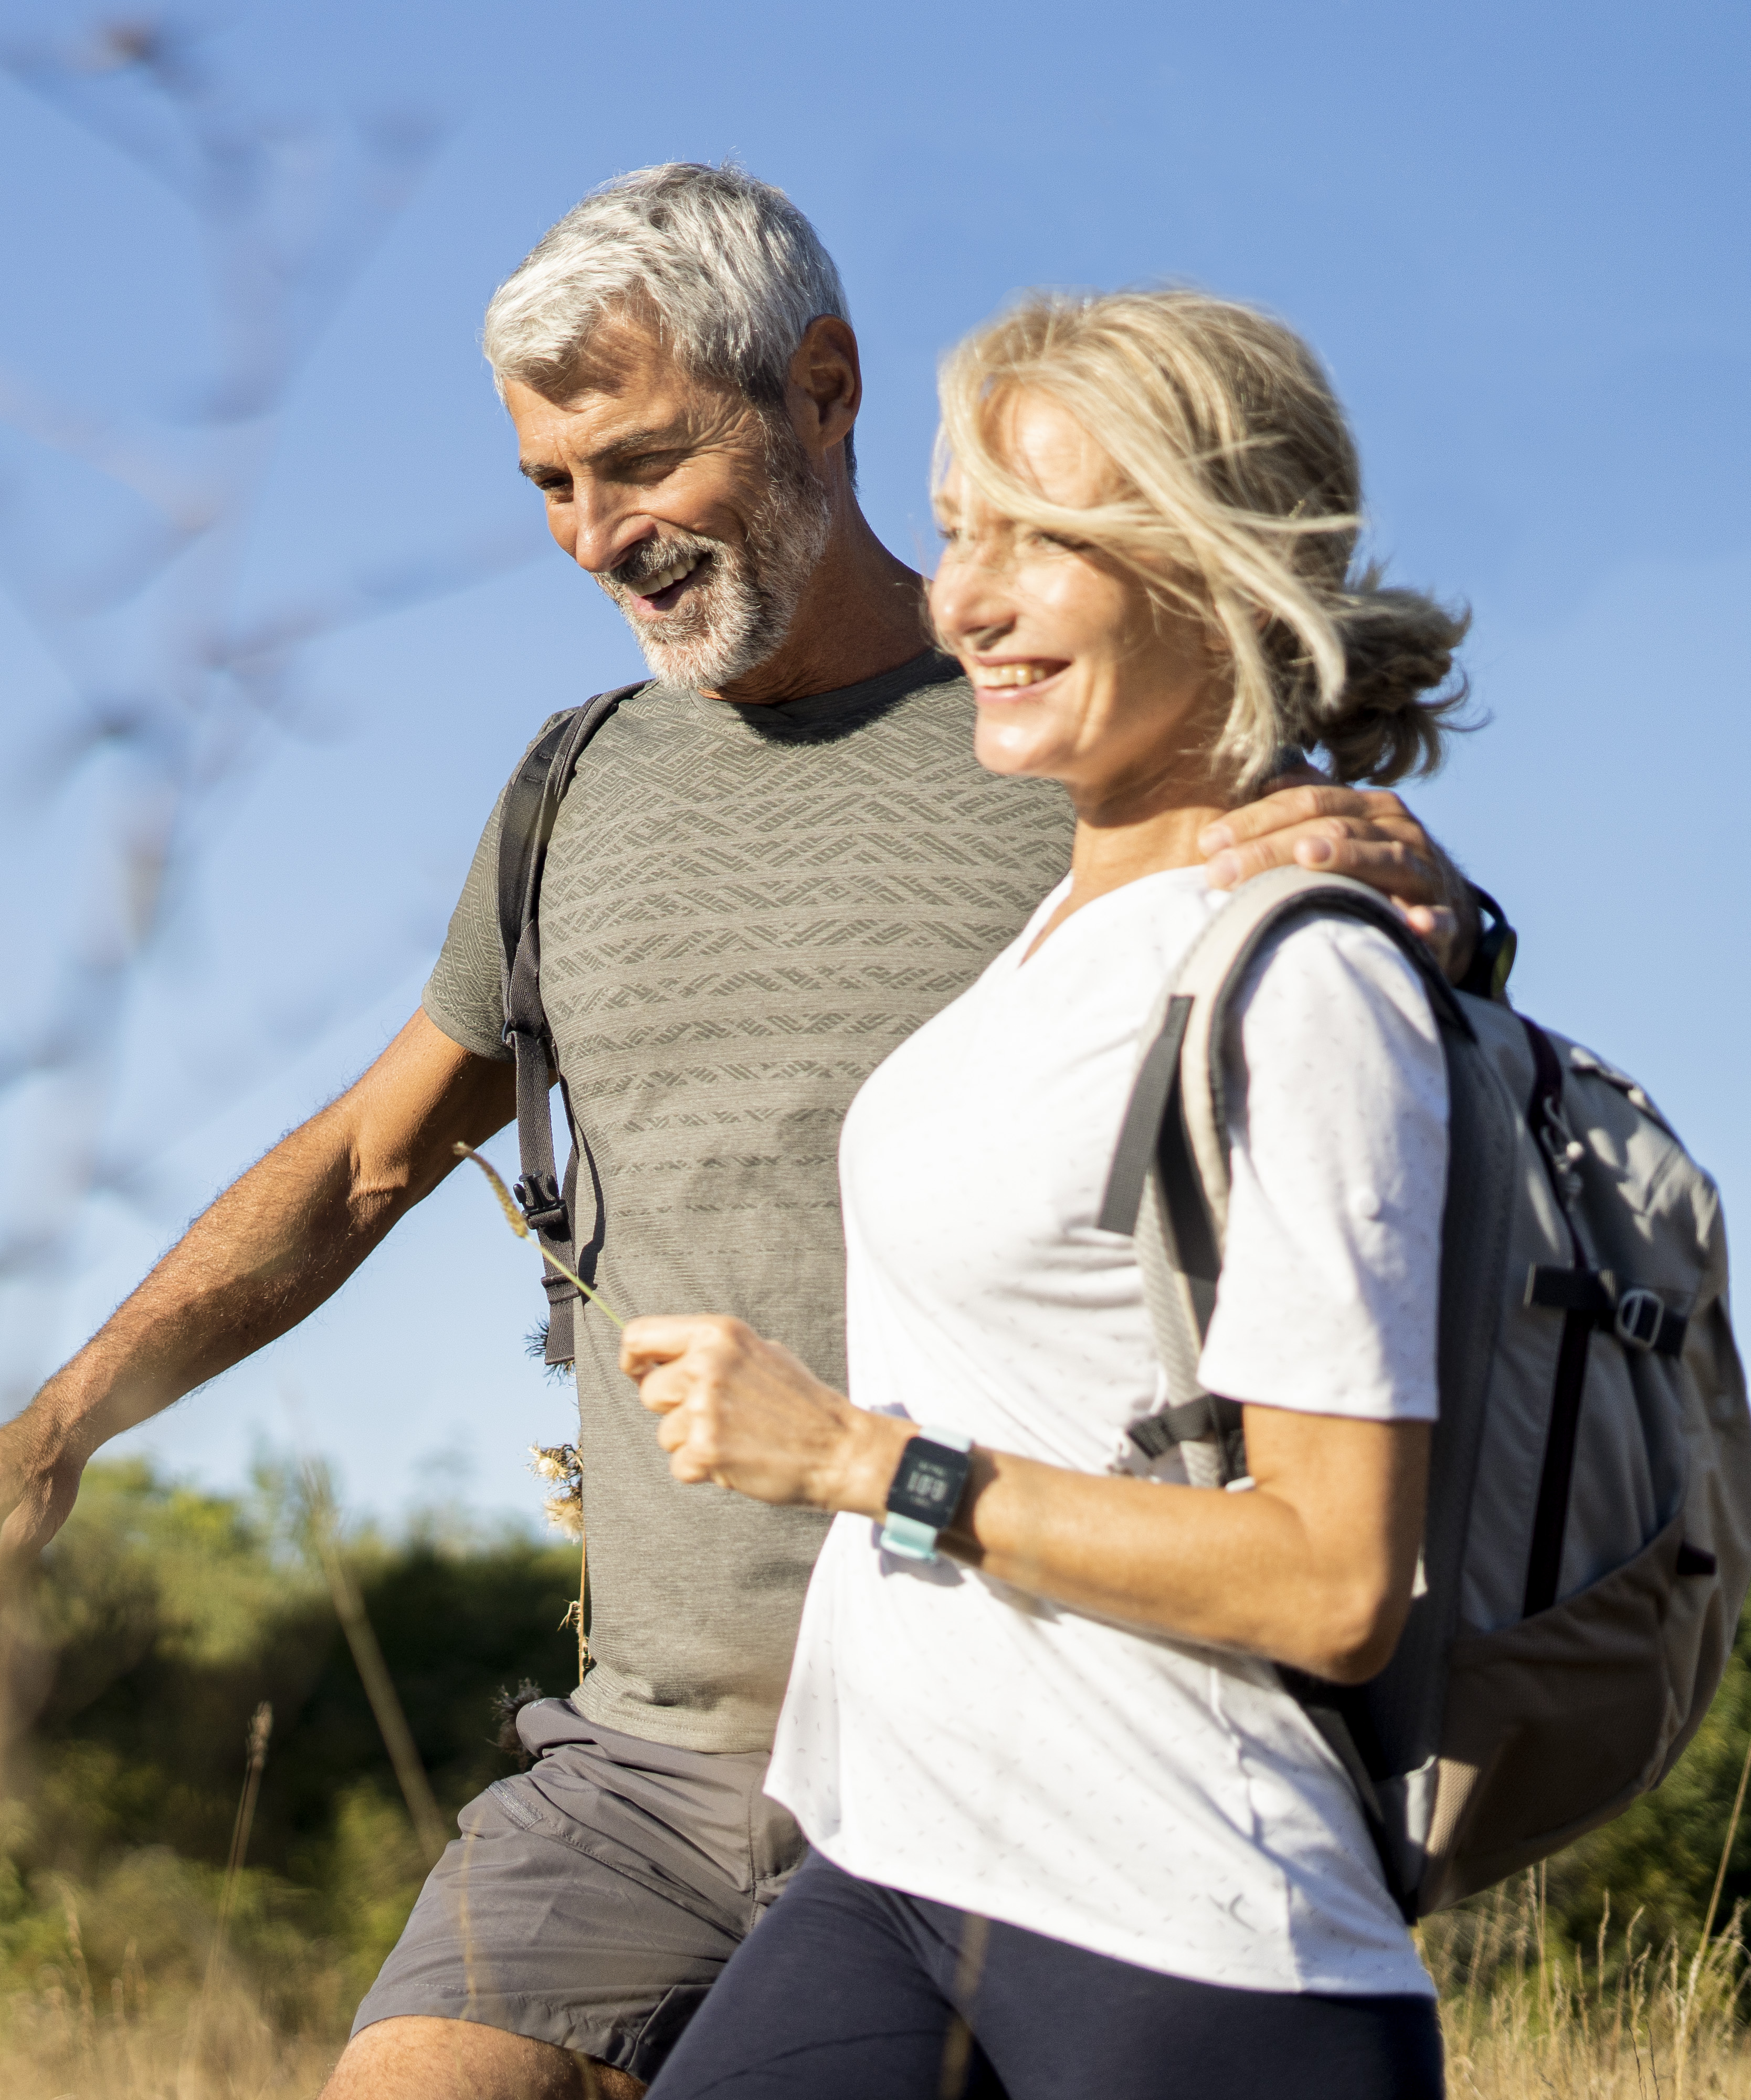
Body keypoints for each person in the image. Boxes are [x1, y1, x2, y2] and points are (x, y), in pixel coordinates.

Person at [0, 165, 1479, 2100]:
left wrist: (1442, 908)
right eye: (552, 485)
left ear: (823, 388)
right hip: (650, 1760)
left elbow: (1353, 1088)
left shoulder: (1079, 749)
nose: (594, 534)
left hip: (1043, 1725)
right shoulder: (575, 793)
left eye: (643, 461)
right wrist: (66, 1416)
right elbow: (368, 1157)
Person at [623, 286, 1461, 2100]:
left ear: (1230, 574)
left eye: (1049, 543)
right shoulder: (1052, 938)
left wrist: (865, 1466)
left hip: (1182, 1932)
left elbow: (1334, 1581)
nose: (970, 603)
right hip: (900, 1868)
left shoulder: (1299, 976)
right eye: (955, 534)